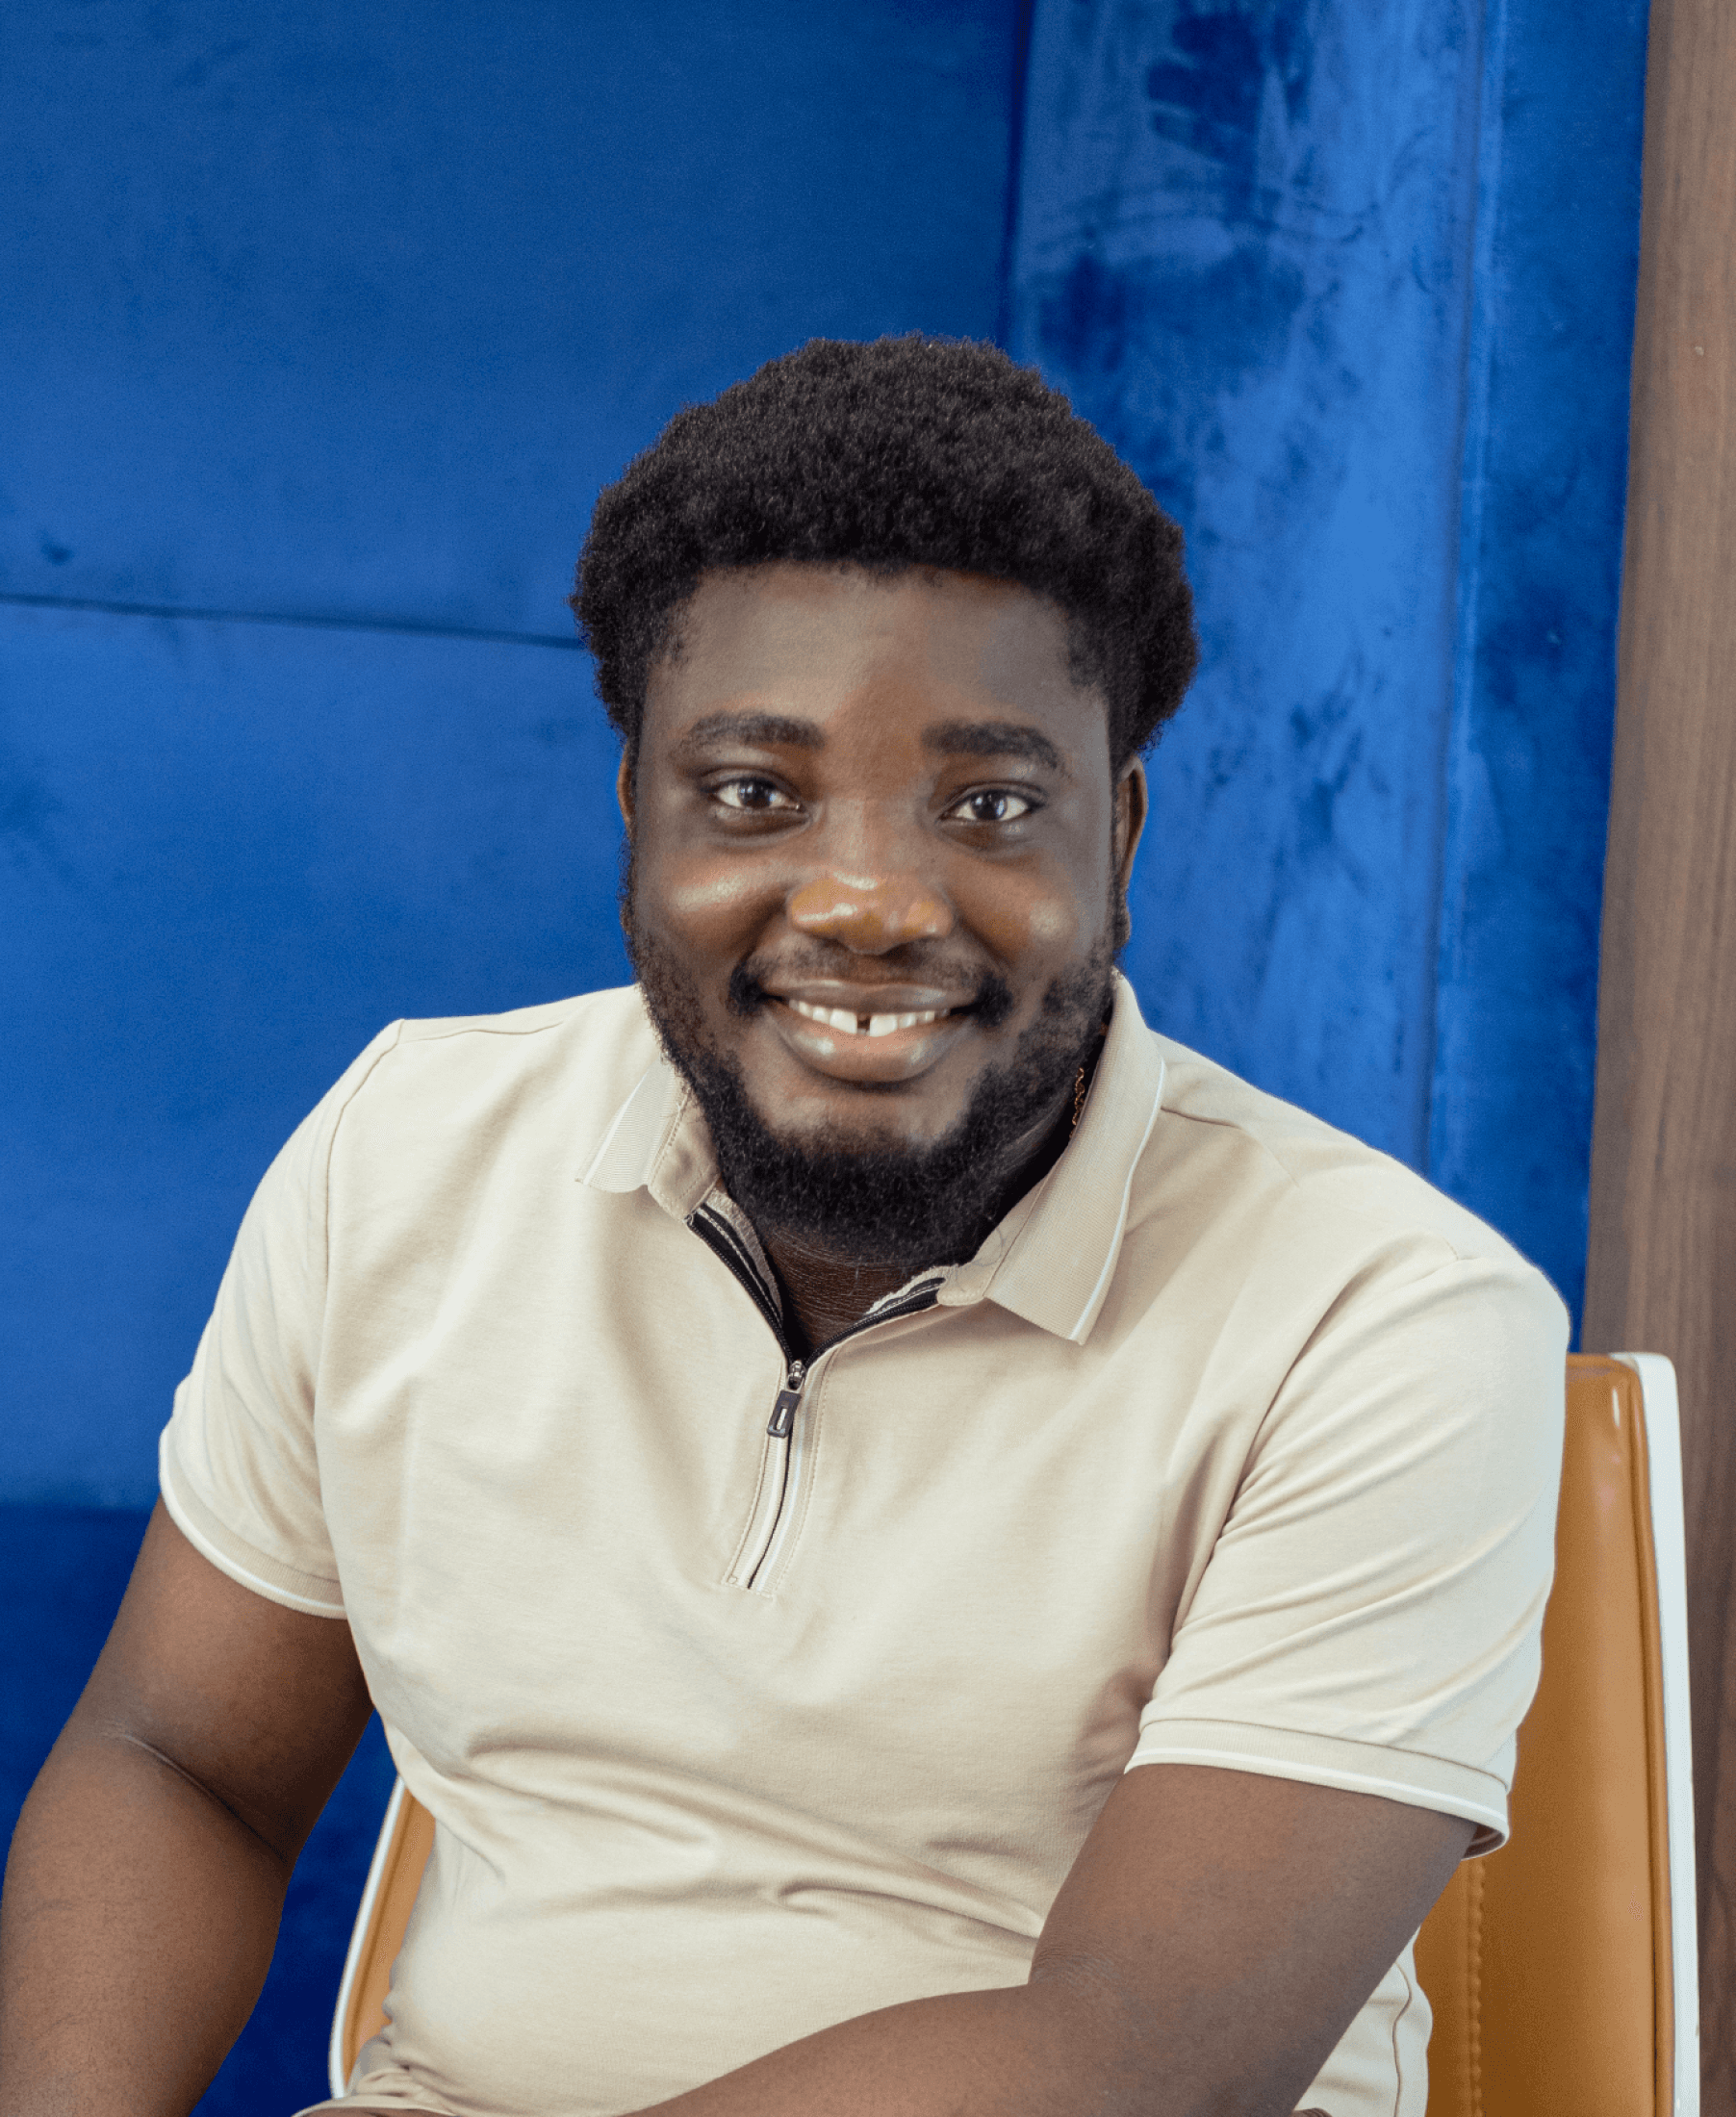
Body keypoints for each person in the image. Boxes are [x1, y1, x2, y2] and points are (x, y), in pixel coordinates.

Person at [0, 337, 1567, 2117]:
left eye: (990, 806)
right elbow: (179, 1759)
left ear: (1119, 839)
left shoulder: (1384, 1316)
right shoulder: (406, 1156)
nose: (871, 900)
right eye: (756, 793)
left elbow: (1138, 2064)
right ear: (637, 812)